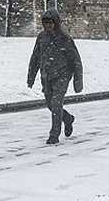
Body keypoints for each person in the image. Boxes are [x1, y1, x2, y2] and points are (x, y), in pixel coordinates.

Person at [27, 9, 83, 145]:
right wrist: (31, 76)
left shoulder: (65, 39)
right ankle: (68, 118)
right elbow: (35, 57)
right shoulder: (41, 37)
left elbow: (76, 60)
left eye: (50, 22)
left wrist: (78, 81)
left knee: (56, 103)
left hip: (62, 75)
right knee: (50, 104)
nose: (47, 25)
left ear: (56, 23)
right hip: (46, 76)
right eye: (45, 23)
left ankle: (54, 134)